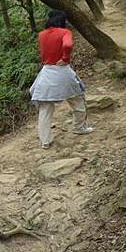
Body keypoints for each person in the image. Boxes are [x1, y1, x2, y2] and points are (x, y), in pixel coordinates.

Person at [29, 10, 93, 149]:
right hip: (62, 71)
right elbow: (67, 45)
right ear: (62, 21)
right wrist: (65, 58)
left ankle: (45, 141)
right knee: (77, 100)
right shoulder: (65, 32)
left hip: (47, 72)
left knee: (45, 109)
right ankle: (79, 127)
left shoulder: (41, 35)